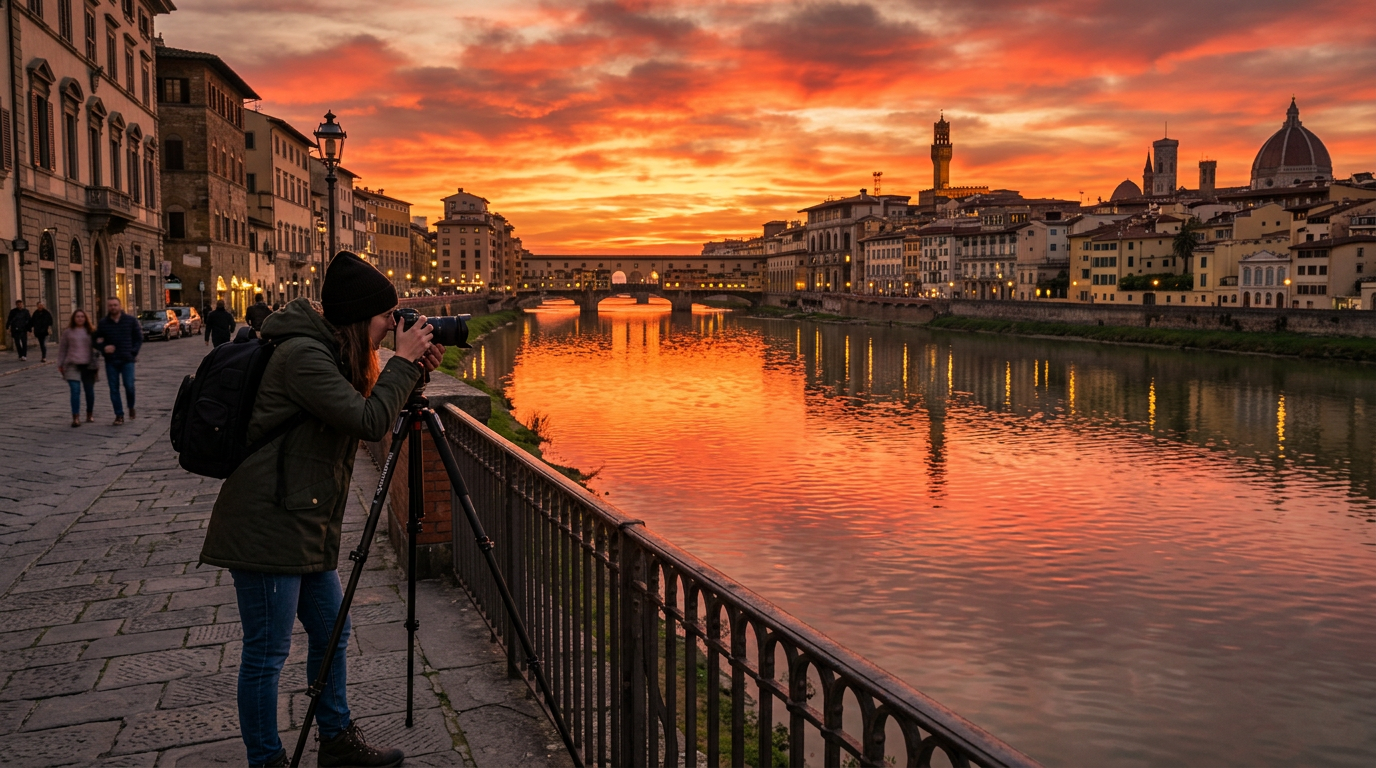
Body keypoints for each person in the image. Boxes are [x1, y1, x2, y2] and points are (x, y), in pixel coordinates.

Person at [200, 252, 444, 768]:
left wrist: (412, 374)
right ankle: (266, 761)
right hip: (267, 523)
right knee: (267, 654)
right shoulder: (303, 357)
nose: (391, 326)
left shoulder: (329, 352)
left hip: (302, 517)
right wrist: (401, 363)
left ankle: (335, 740)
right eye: (386, 317)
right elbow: (370, 421)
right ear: (360, 317)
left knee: (334, 630)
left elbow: (369, 403)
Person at [94, 297, 141, 425]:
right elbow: (96, 340)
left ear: (120, 306)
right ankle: (119, 415)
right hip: (111, 361)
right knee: (114, 389)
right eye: (110, 305)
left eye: (115, 305)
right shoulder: (103, 323)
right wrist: (104, 348)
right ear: (108, 307)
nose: (113, 307)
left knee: (129, 386)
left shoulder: (130, 321)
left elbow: (138, 338)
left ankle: (131, 406)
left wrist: (133, 352)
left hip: (127, 359)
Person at [57, 309, 100, 426]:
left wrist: (97, 365)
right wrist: (60, 364)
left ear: (85, 318)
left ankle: (89, 414)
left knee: (89, 392)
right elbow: (62, 349)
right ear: (73, 318)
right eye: (77, 316)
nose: (80, 318)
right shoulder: (68, 332)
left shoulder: (91, 331)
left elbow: (96, 349)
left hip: (88, 365)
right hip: (72, 365)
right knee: (75, 391)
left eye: (82, 316)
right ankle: (75, 417)